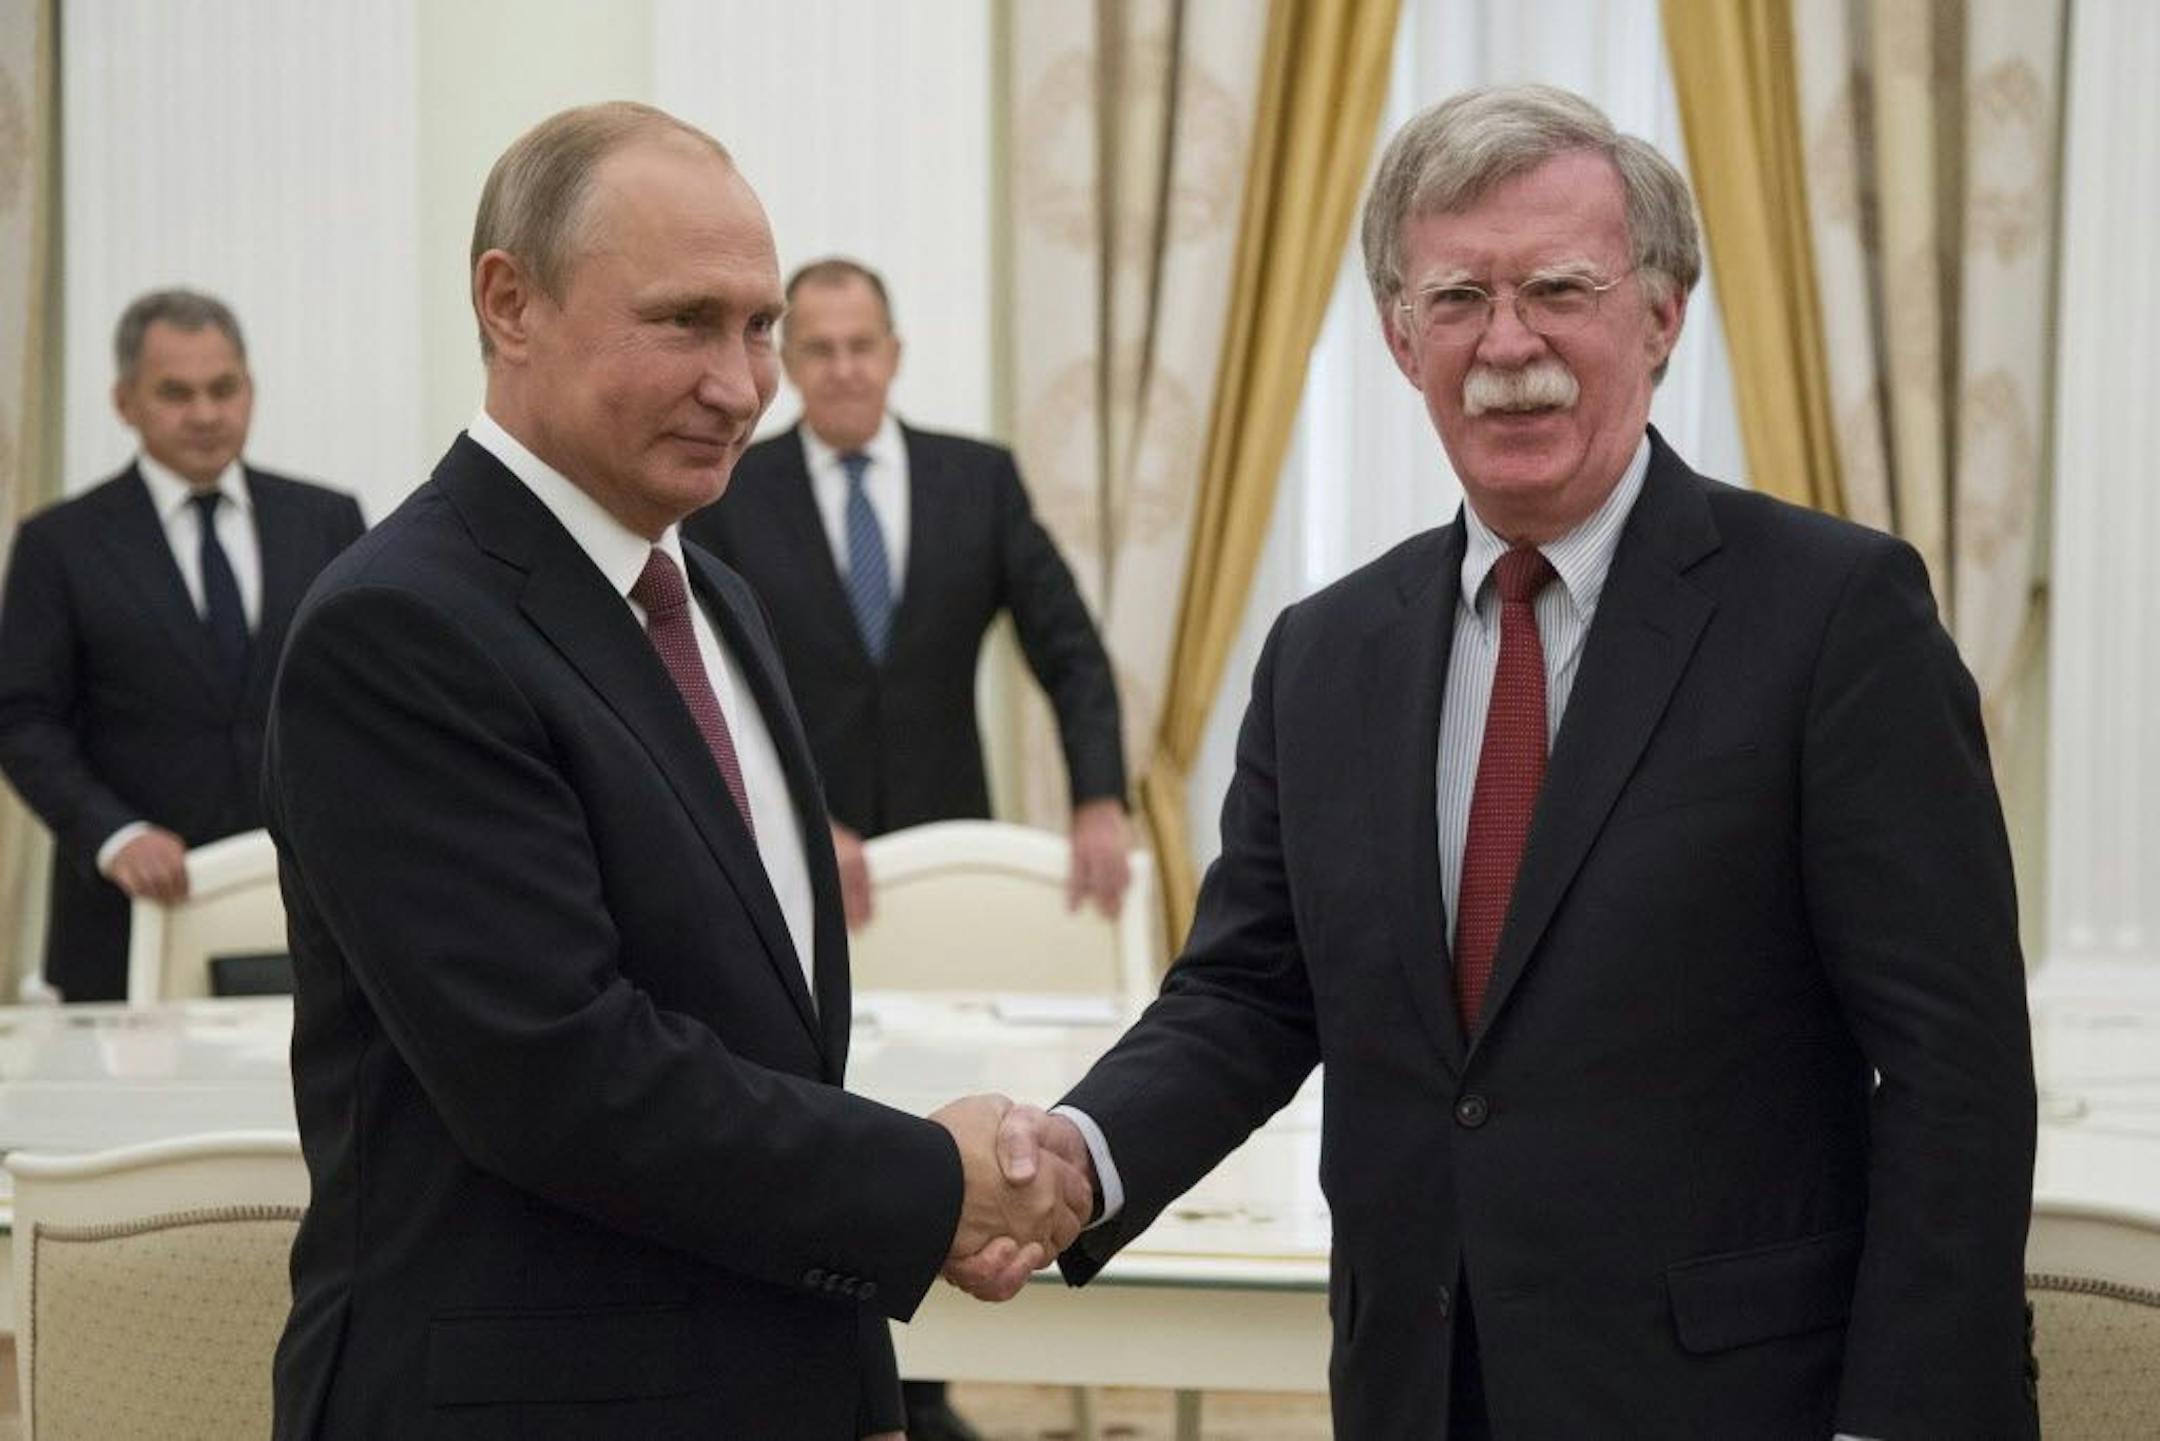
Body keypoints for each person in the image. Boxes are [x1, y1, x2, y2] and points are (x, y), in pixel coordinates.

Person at [971, 85, 2039, 1439]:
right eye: (1459, 296)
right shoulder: (1323, 652)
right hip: (1419, 1390)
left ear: (1660, 316)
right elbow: (1247, 994)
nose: (1507, 342)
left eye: (1557, 287)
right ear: (1398, 335)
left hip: (1741, 1399)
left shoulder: (1835, 617)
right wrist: (1081, 1151)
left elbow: (1956, 1067)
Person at [264, 103, 1088, 1440]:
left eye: (757, 325)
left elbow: (756, 1038)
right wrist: (925, 1183)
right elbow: (563, 1077)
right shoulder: (400, 627)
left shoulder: (708, 597)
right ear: (508, 301)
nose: (745, 384)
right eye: (685, 322)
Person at [683, 259, 1131, 938]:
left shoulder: (981, 481)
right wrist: (795, 817)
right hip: (795, 857)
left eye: (861, 346)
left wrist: (1099, 797)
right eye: (819, 350)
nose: (844, 369)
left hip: (954, 846)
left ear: (893, 354)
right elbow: (709, 683)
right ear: (786, 363)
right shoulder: (730, 492)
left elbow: (1072, 651)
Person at [0, 289, 364, 1001]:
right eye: (175, 393)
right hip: (125, 918)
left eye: (223, 388)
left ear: (249, 390)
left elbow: (361, 698)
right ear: (124, 400)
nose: (204, 413)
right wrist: (114, 834)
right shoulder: (59, 544)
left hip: (304, 912)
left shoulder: (326, 520)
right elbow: (21, 717)